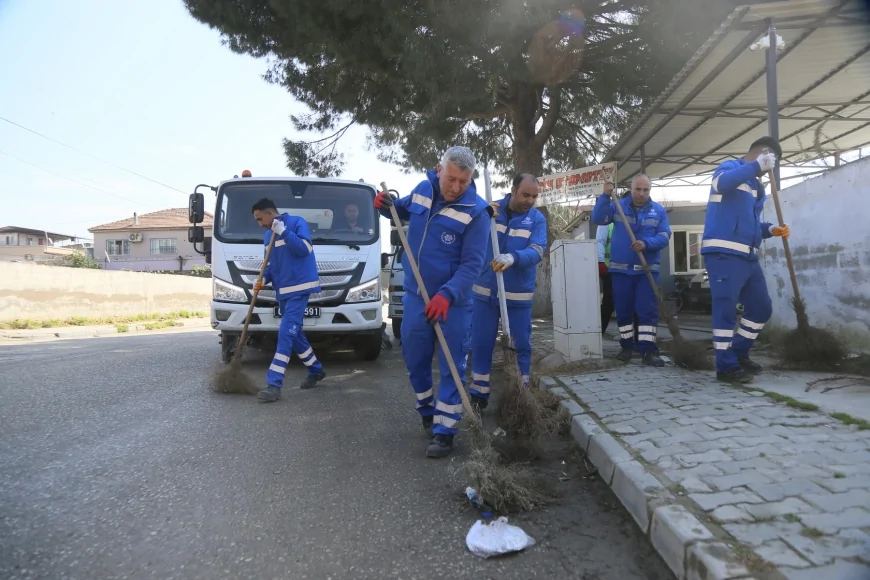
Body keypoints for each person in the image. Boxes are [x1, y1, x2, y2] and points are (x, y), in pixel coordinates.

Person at [374, 146, 491, 458]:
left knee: (453, 365)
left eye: (462, 182)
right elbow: (400, 210)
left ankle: (445, 431)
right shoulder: (424, 189)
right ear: (439, 170)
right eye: (450, 179)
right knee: (414, 356)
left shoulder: (476, 213)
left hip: (453, 302)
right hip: (415, 295)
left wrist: (447, 295)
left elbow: (473, 265)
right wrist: (385, 206)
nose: (455, 188)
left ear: (470, 180)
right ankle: (426, 408)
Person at [702, 136, 790, 384]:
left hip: (748, 256)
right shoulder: (729, 167)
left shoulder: (756, 186)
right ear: (764, 153)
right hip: (723, 252)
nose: (771, 167)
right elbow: (720, 184)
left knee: (762, 307)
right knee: (726, 309)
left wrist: (770, 229)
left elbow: (749, 224)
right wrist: (755, 165)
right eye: (772, 160)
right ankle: (725, 366)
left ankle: (739, 353)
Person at [469, 173, 547, 410]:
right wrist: (482, 215)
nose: (530, 200)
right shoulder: (490, 210)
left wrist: (513, 257)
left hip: (518, 294)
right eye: (525, 194)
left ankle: (520, 393)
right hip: (485, 290)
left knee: (520, 344)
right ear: (513, 190)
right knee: (481, 343)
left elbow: (537, 250)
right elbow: (471, 235)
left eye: (534, 196)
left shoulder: (537, 219)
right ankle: (479, 395)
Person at [251, 198, 326, 401]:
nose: (260, 224)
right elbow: (271, 266)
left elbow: (304, 249)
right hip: (283, 290)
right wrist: (263, 280)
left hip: (300, 288)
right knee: (295, 333)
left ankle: (274, 384)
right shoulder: (268, 236)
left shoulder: (296, 222)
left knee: (286, 332)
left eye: (260, 219)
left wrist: (283, 231)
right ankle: (316, 369)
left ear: (269, 213)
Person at [591, 176, 671, 367]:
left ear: (650, 190)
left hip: (646, 271)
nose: (641, 193)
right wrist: (605, 196)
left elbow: (665, 235)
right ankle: (626, 346)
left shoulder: (658, 211)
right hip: (620, 271)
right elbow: (598, 218)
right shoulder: (618, 206)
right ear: (631, 188)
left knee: (646, 312)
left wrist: (646, 243)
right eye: (638, 189)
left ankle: (648, 351)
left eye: (645, 190)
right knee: (624, 312)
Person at [596, 221, 615, 334]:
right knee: (609, 303)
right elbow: (600, 242)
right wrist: (600, 261)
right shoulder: (607, 222)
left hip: (627, 270)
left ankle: (635, 339)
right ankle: (598, 333)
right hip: (609, 270)